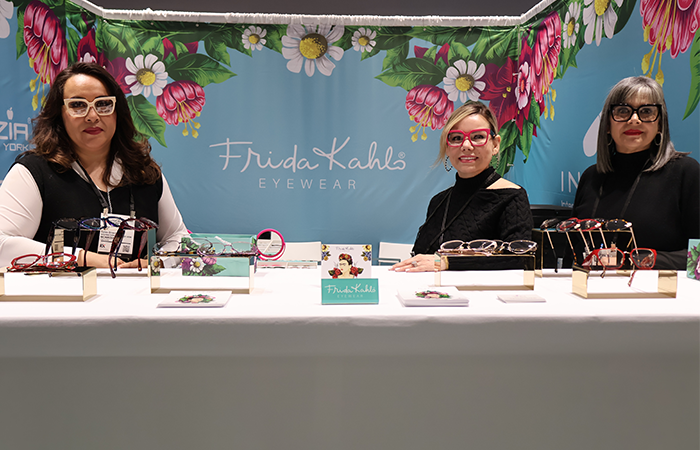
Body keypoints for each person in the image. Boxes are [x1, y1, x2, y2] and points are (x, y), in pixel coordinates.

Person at [0, 62, 189, 268]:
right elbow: (2, 245)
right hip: (63, 289)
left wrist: (157, 263)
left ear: (118, 111)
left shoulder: (144, 172)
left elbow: (178, 238)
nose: (92, 116)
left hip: (137, 288)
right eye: (77, 105)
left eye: (103, 104)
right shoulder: (34, 172)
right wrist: (79, 258)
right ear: (59, 114)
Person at [572, 76, 700, 270]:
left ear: (660, 124)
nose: (634, 119)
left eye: (646, 111)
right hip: (588, 287)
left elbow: (697, 259)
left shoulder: (686, 173)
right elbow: (574, 253)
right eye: (622, 111)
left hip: (657, 289)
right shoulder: (591, 177)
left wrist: (636, 260)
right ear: (607, 125)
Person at [392, 101, 533, 272]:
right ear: (447, 147)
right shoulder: (439, 201)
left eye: (478, 137)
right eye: (457, 138)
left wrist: (447, 263)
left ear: (495, 144)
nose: (466, 145)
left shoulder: (512, 197)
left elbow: (519, 259)